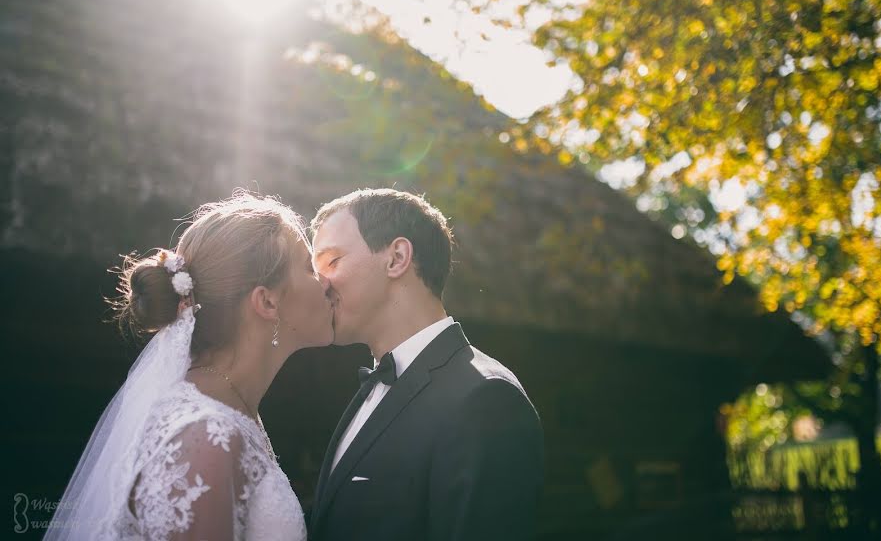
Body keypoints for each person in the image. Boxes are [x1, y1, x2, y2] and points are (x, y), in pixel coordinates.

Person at [45, 191, 333, 540]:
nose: (326, 279)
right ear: (267, 301)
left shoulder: (232, 411)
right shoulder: (205, 437)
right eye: (308, 266)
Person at [308, 188, 544, 541]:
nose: (319, 284)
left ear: (396, 258)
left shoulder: (486, 399)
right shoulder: (369, 391)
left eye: (332, 262)